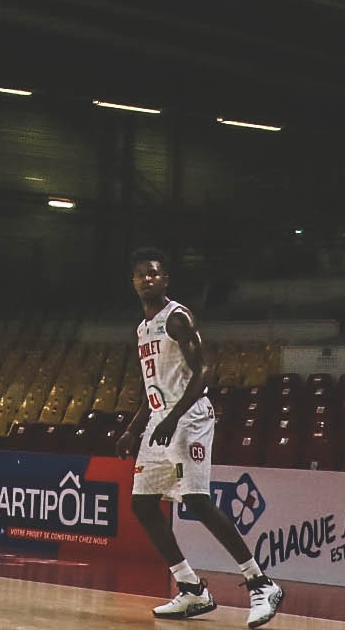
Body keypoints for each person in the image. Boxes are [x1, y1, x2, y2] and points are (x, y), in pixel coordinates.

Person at [125, 249, 280, 627]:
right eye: (141, 275)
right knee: (143, 504)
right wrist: (134, 426)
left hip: (190, 416)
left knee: (196, 500)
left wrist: (173, 417)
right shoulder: (143, 328)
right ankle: (191, 589)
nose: (148, 279)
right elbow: (155, 387)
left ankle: (261, 583)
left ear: (166, 280)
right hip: (161, 418)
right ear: (133, 282)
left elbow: (206, 369)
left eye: (155, 273)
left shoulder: (176, 317)